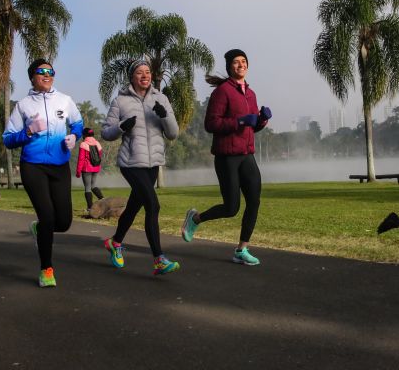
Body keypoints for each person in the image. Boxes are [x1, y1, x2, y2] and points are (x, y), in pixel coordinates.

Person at [181, 49, 272, 265]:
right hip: (226, 157)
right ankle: (195, 218)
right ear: (229, 67)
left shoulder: (250, 94)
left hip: (247, 154)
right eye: (236, 62)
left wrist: (262, 121)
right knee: (231, 208)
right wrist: (239, 121)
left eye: (243, 61)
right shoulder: (222, 92)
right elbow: (211, 124)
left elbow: (251, 128)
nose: (240, 65)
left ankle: (241, 250)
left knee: (254, 201)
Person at [3, 59, 83, 287]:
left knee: (64, 222)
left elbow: (77, 123)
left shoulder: (65, 101)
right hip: (33, 166)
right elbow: (8, 139)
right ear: (32, 77)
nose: (47, 75)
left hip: (59, 167)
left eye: (51, 71)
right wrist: (27, 132)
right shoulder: (24, 105)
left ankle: (39, 229)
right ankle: (46, 269)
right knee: (47, 216)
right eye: (42, 71)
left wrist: (74, 137)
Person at [101, 59, 180, 275]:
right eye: (139, 72)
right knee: (153, 206)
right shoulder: (120, 102)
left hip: (153, 163)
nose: (145, 75)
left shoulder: (161, 98)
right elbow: (106, 132)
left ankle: (115, 242)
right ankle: (159, 259)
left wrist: (164, 115)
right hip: (131, 163)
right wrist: (121, 127)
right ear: (132, 77)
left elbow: (173, 133)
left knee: (135, 206)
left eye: (147, 72)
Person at [76, 127, 105, 212]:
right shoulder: (97, 143)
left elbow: (81, 159)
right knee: (93, 186)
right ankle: (103, 199)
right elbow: (99, 156)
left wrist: (78, 171)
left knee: (88, 188)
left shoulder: (83, 144)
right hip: (96, 168)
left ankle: (90, 208)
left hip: (87, 169)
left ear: (84, 135)